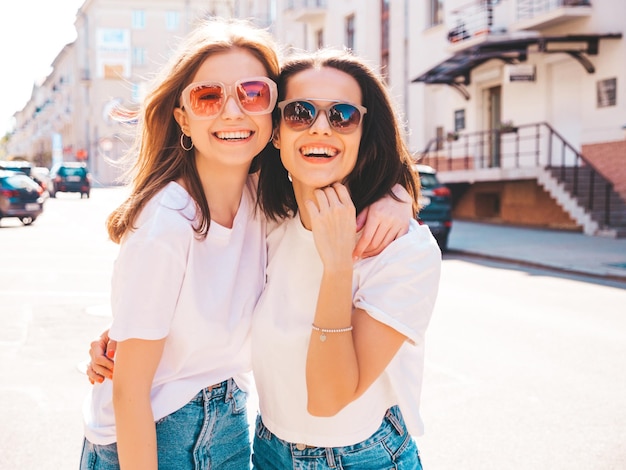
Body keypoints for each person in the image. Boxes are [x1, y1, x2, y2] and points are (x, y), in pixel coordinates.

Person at [81, 19, 413, 470]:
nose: (233, 112)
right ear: (182, 116)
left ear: (272, 116)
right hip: (154, 437)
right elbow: (130, 392)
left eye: (253, 93)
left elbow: (346, 158)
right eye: (208, 96)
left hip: (231, 428)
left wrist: (398, 197)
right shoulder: (167, 224)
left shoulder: (262, 195)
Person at [250, 48, 442, 469]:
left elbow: (328, 399)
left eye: (342, 116)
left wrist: (337, 265)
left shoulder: (404, 250)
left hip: (363, 457)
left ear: (362, 133)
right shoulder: (263, 218)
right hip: (267, 448)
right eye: (299, 112)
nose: (321, 128)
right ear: (276, 131)